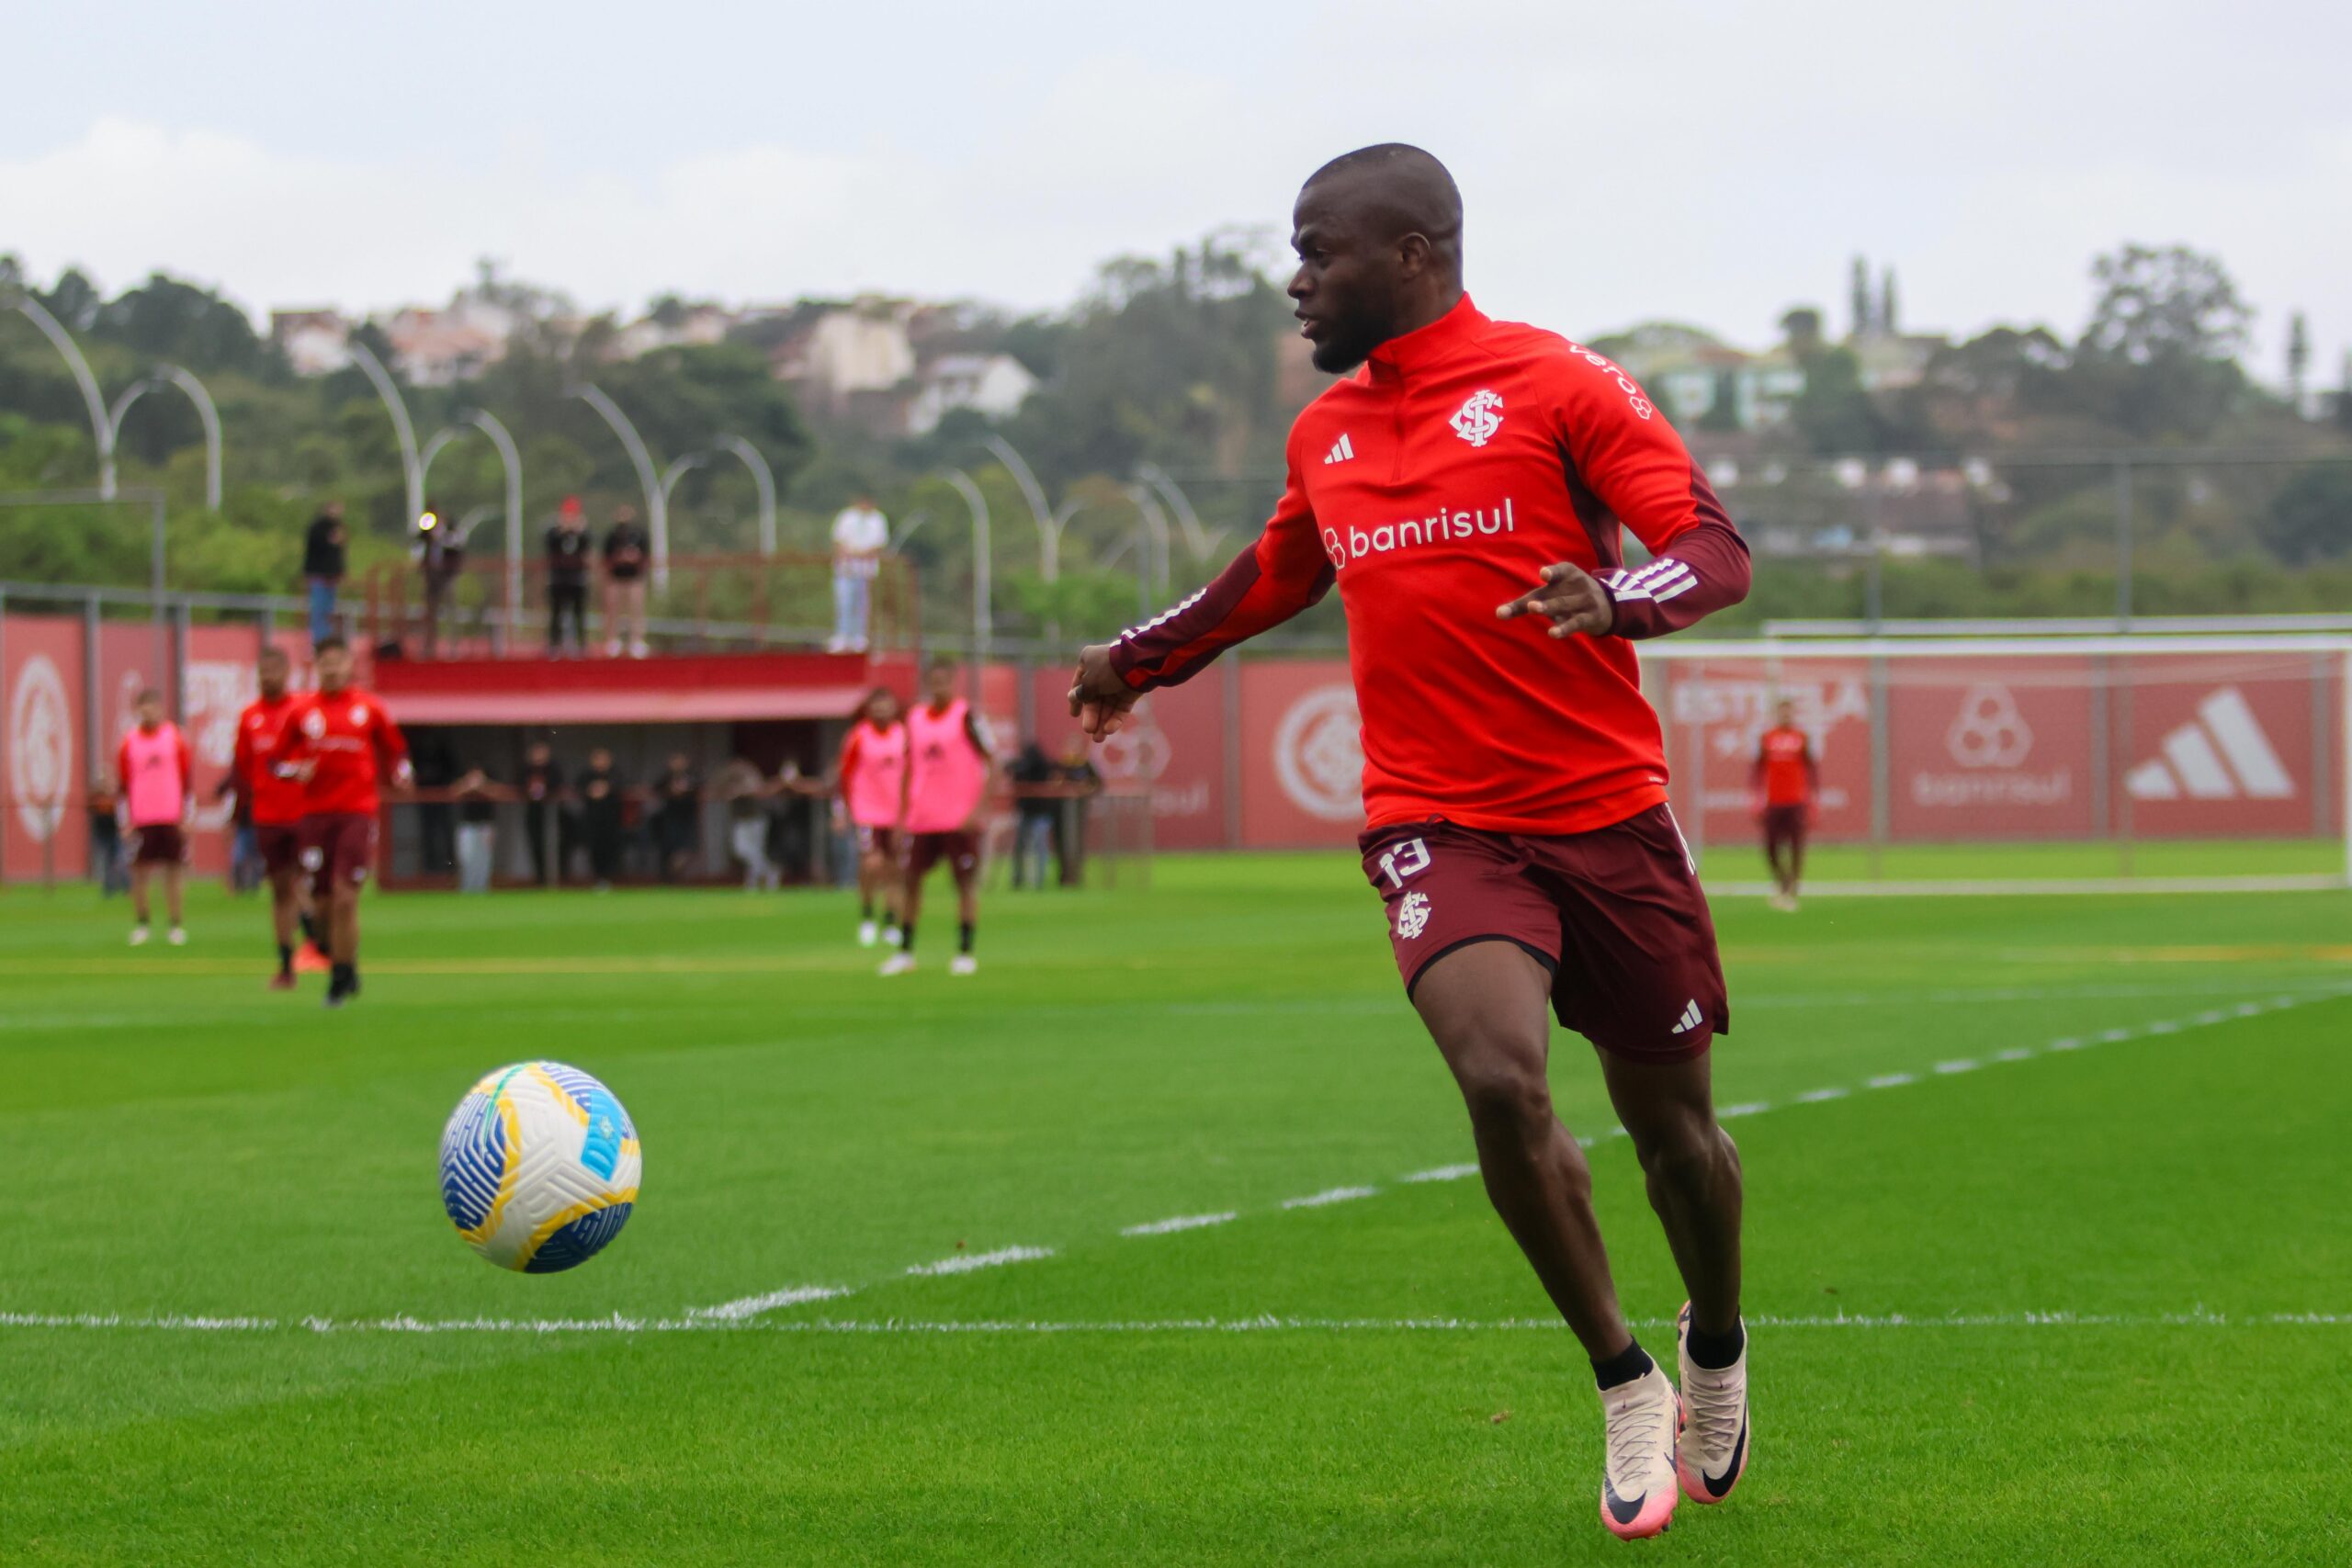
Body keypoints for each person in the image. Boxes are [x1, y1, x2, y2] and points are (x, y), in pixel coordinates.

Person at [1067, 145, 1755, 1542]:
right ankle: (1623, 1378)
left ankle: (1717, 1347)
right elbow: (1274, 571)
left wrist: (1617, 598)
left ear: (1416, 254)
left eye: (1318, 251)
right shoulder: (1323, 432)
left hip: (1607, 812)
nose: (1295, 278)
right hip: (1437, 818)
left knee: (1675, 1134)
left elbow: (1715, 546)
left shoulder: (1561, 384)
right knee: (1501, 1078)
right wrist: (1140, 657)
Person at [277, 636, 413, 1008]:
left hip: (356, 811)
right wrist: (294, 770)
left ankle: (339, 979)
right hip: (314, 815)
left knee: (344, 898)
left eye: (339, 662)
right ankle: (337, 956)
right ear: (316, 667)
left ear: (350, 665)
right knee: (318, 904)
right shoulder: (302, 711)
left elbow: (396, 750)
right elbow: (278, 759)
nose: (332, 669)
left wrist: (402, 774)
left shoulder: (369, 708)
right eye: (326, 663)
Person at [881, 660, 994, 976]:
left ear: (954, 682)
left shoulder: (968, 716)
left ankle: (964, 952)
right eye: (935, 681)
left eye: (945, 681)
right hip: (923, 817)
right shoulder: (914, 719)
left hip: (959, 818)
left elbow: (993, 761)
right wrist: (902, 816)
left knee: (964, 884)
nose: (939, 687)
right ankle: (905, 952)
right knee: (910, 883)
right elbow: (907, 769)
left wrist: (978, 808)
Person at [232, 646, 325, 988]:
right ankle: (287, 964)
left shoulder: (301, 711)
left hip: (303, 812)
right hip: (268, 815)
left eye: (274, 672)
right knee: (280, 888)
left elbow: (318, 755)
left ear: (287, 674)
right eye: (262, 673)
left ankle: (319, 938)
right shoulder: (249, 717)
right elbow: (243, 765)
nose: (268, 679)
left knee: (312, 883)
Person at [117, 689, 193, 947]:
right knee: (139, 874)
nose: (149, 712)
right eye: (143, 707)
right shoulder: (129, 742)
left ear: (161, 708)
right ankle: (142, 923)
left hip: (171, 815)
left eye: (153, 706)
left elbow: (186, 779)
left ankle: (175, 924)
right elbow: (123, 784)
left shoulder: (174, 738)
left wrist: (187, 815)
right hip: (142, 818)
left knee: (173, 872)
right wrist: (125, 820)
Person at [836, 686, 909, 945]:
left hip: (897, 814)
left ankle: (890, 921)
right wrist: (841, 811)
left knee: (895, 869)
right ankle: (867, 916)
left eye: (886, 705)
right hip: (867, 811)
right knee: (871, 864)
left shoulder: (903, 736)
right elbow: (843, 776)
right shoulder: (859, 737)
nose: (881, 710)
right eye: (876, 706)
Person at [1750, 700, 1818, 911]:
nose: (1785, 716)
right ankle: (1782, 881)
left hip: (1796, 800)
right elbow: (1757, 769)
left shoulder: (1801, 738)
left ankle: (1792, 888)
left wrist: (1813, 798)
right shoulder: (1767, 738)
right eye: (1782, 712)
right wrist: (1755, 797)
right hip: (1774, 802)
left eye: (1789, 712)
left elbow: (1811, 768)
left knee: (1796, 844)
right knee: (1770, 844)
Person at [829, 493, 888, 652]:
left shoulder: (878, 519)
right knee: (844, 602)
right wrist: (849, 555)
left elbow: (878, 544)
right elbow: (838, 541)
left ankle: (859, 637)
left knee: (862, 604)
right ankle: (842, 636)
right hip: (845, 569)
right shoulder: (846, 517)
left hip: (865, 570)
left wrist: (860, 554)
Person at [713, 758, 778, 890]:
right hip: (739, 819)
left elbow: (757, 789)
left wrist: (738, 791)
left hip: (756, 818)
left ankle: (752, 882)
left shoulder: (749, 775)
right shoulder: (728, 778)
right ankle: (769, 870)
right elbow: (716, 786)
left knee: (755, 849)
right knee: (741, 849)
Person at [413, 501, 464, 657]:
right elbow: (417, 540)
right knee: (429, 612)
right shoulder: (427, 530)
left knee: (450, 610)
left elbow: (457, 544)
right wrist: (429, 532)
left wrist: (441, 535)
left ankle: (453, 648)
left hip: (447, 575)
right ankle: (429, 648)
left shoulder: (450, 528)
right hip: (431, 576)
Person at [1006, 739, 1058, 890]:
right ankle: (1021, 879)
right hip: (1028, 812)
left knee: (1038, 847)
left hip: (1039, 813)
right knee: (1025, 847)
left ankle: (1037, 881)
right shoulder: (1025, 766)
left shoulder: (1041, 766)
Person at [546, 496, 594, 655]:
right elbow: (550, 546)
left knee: (579, 613)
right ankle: (554, 644)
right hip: (558, 578)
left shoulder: (582, 534)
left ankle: (581, 644)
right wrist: (562, 530)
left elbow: (587, 548)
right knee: (556, 612)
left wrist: (580, 531)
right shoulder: (554, 532)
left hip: (577, 578)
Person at [1053, 738, 1102, 887]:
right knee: (1061, 844)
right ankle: (1064, 876)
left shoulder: (1086, 765)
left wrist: (1085, 789)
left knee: (1077, 843)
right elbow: (1054, 784)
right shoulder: (1062, 765)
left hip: (1078, 810)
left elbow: (1098, 784)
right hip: (1061, 811)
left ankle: (1076, 875)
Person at [603, 506, 650, 658]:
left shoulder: (639, 534)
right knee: (613, 610)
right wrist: (619, 558)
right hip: (616, 577)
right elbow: (606, 557)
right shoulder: (612, 535)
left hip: (634, 577)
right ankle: (612, 640)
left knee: (636, 610)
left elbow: (646, 556)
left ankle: (636, 641)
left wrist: (635, 559)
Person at [453, 767, 508, 894]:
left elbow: (499, 792)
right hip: (467, 825)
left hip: (486, 825)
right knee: (466, 858)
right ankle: (466, 888)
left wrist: (481, 787)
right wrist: (469, 786)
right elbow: (453, 792)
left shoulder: (488, 786)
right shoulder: (465, 786)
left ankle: (482, 888)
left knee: (484, 859)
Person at [519, 741, 566, 886]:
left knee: (554, 844)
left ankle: (556, 877)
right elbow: (518, 783)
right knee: (536, 844)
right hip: (534, 812)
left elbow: (558, 784)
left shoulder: (554, 769)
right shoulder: (526, 770)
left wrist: (546, 790)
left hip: (552, 813)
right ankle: (540, 878)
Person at [579, 747, 625, 889]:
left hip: (611, 820)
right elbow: (579, 787)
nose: (601, 763)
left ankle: (611, 878)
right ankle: (598, 878)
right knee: (595, 850)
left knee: (612, 850)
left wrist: (607, 788)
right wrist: (591, 790)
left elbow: (621, 786)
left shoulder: (615, 774)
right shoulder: (587, 776)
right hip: (592, 820)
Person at [652, 752, 702, 881]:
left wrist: (686, 789)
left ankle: (678, 875)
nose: (678, 764)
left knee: (686, 849)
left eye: (680, 761)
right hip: (670, 817)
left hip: (687, 817)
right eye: (675, 761)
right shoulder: (666, 777)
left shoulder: (692, 776)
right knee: (669, 849)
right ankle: (668, 877)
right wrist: (670, 788)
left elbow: (700, 785)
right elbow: (656, 787)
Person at [303, 501, 346, 649]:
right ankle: (318, 642)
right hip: (320, 576)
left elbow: (338, 554)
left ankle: (326, 640)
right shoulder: (319, 529)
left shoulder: (338, 528)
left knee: (328, 612)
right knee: (319, 611)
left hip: (331, 578)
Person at [86, 773, 125, 896]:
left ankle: (126, 886)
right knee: (107, 861)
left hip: (115, 834)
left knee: (120, 860)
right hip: (102, 835)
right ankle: (109, 887)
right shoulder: (96, 799)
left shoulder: (114, 799)